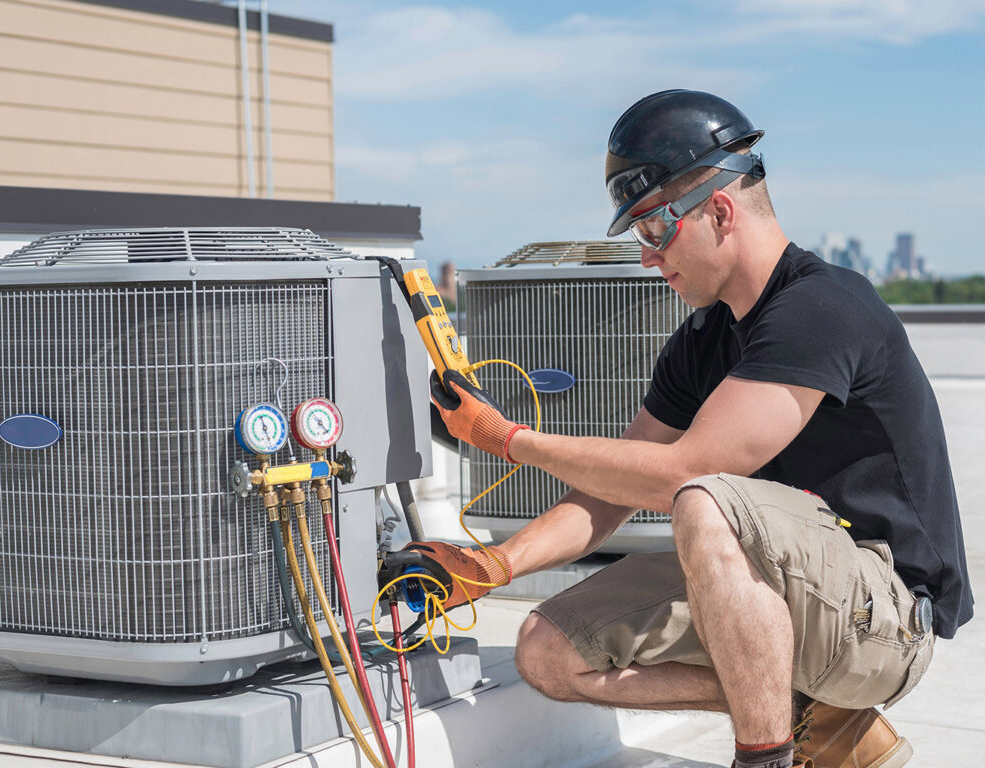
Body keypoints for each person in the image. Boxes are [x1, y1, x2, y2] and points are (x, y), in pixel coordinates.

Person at [416, 89, 973, 768]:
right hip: (792, 599)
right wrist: (495, 565)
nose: (649, 257)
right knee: (548, 650)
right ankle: (816, 720)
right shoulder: (701, 341)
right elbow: (615, 485)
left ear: (717, 209)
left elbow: (686, 472)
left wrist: (508, 439)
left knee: (705, 500)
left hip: (884, 620)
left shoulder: (821, 309)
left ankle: (764, 758)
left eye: (654, 231)